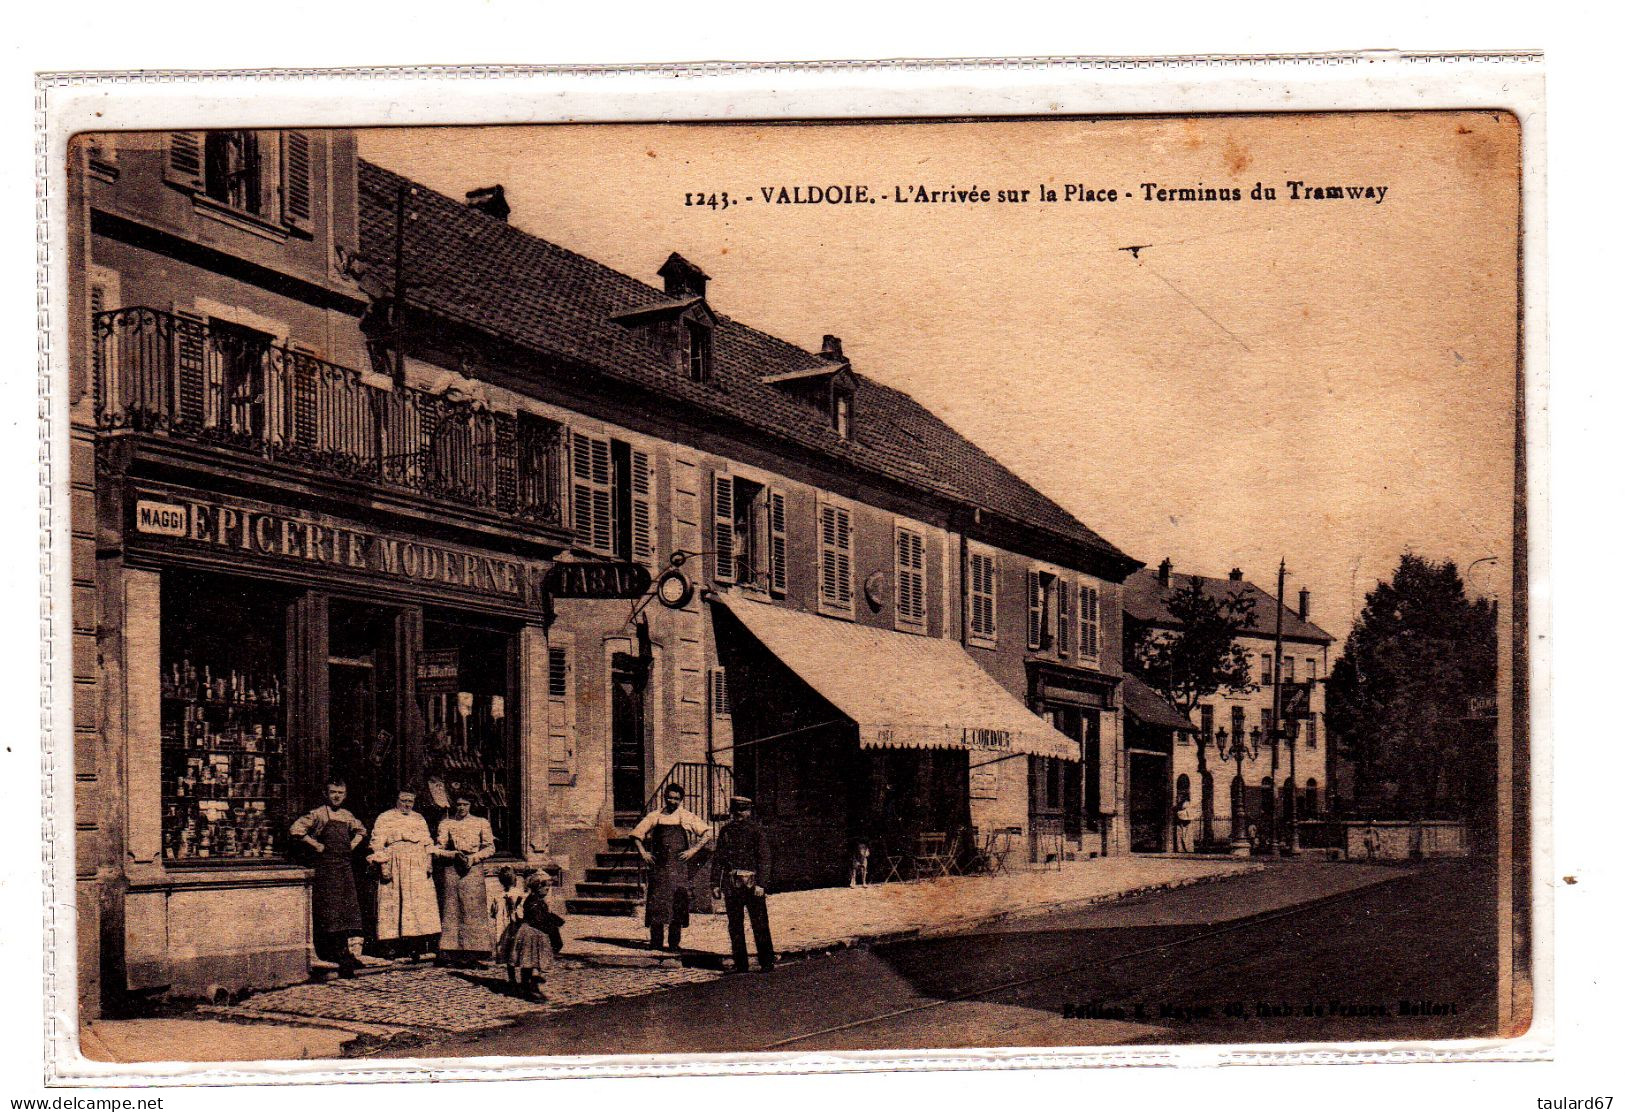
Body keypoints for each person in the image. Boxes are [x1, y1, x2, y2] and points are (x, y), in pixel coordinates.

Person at [290, 779, 367, 976]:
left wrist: (351, 845)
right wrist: (316, 845)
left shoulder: (347, 815)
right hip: (327, 868)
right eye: (333, 792)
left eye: (340, 793)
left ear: (345, 794)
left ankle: (346, 954)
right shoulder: (318, 814)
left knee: (346, 910)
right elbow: (296, 829)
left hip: (344, 867)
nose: (337, 796)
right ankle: (335, 954)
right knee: (331, 911)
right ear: (326, 793)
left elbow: (361, 831)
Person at [630, 783, 712, 951]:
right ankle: (656, 942)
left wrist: (693, 850)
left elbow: (707, 833)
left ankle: (674, 943)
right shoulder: (655, 816)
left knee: (678, 904)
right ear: (665, 797)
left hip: (678, 868)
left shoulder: (686, 816)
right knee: (657, 904)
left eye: (676, 798)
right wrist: (644, 853)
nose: (672, 801)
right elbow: (636, 834)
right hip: (659, 868)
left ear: (681, 800)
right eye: (669, 797)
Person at [369, 790, 441, 960]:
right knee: (393, 902)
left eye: (410, 801)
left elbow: (427, 843)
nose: (407, 804)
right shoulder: (385, 817)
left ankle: (414, 946)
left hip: (416, 862)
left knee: (415, 904)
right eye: (403, 800)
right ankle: (391, 947)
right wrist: (383, 866)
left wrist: (428, 863)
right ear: (396, 800)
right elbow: (377, 844)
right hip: (394, 861)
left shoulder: (418, 818)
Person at [712, 795, 775, 974]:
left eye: (744, 810)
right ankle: (741, 963)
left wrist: (761, 884)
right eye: (736, 810)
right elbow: (719, 859)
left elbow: (764, 859)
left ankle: (767, 961)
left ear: (749, 811)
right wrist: (715, 883)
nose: (740, 814)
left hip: (753, 884)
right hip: (732, 885)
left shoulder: (757, 831)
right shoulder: (726, 831)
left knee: (759, 922)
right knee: (735, 924)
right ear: (732, 811)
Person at [434, 790, 496, 966]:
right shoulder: (446, 823)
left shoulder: (481, 823)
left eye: (465, 804)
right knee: (452, 908)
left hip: (473, 868)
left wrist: (474, 858)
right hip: (452, 867)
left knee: (473, 909)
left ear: (471, 805)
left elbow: (490, 848)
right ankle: (451, 952)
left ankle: (474, 953)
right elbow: (438, 848)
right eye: (459, 804)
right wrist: (451, 854)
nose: (462, 808)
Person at [507, 873, 556, 1001]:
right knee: (528, 962)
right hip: (531, 934)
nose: (547, 891)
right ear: (538, 887)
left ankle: (529, 987)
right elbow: (538, 919)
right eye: (546, 888)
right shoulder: (533, 901)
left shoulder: (538, 900)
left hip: (536, 933)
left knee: (533, 962)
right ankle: (529, 988)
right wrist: (551, 922)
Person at [491, 866, 525, 986]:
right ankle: (523, 978)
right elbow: (522, 911)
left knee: (508, 951)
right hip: (515, 926)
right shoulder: (520, 893)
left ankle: (512, 978)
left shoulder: (497, 896)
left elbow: (493, 913)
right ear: (515, 879)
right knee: (519, 950)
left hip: (504, 928)